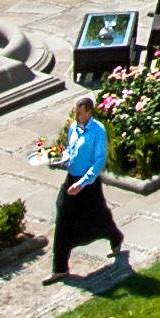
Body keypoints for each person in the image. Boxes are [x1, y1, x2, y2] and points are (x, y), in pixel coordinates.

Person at [49, 97, 123, 278]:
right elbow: (70, 150)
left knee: (99, 215)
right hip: (71, 178)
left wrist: (82, 183)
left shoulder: (98, 132)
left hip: (88, 184)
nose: (76, 116)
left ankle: (115, 237)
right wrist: (58, 157)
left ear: (89, 112)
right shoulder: (74, 127)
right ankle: (60, 268)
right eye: (75, 112)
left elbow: (99, 162)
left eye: (80, 113)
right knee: (63, 217)